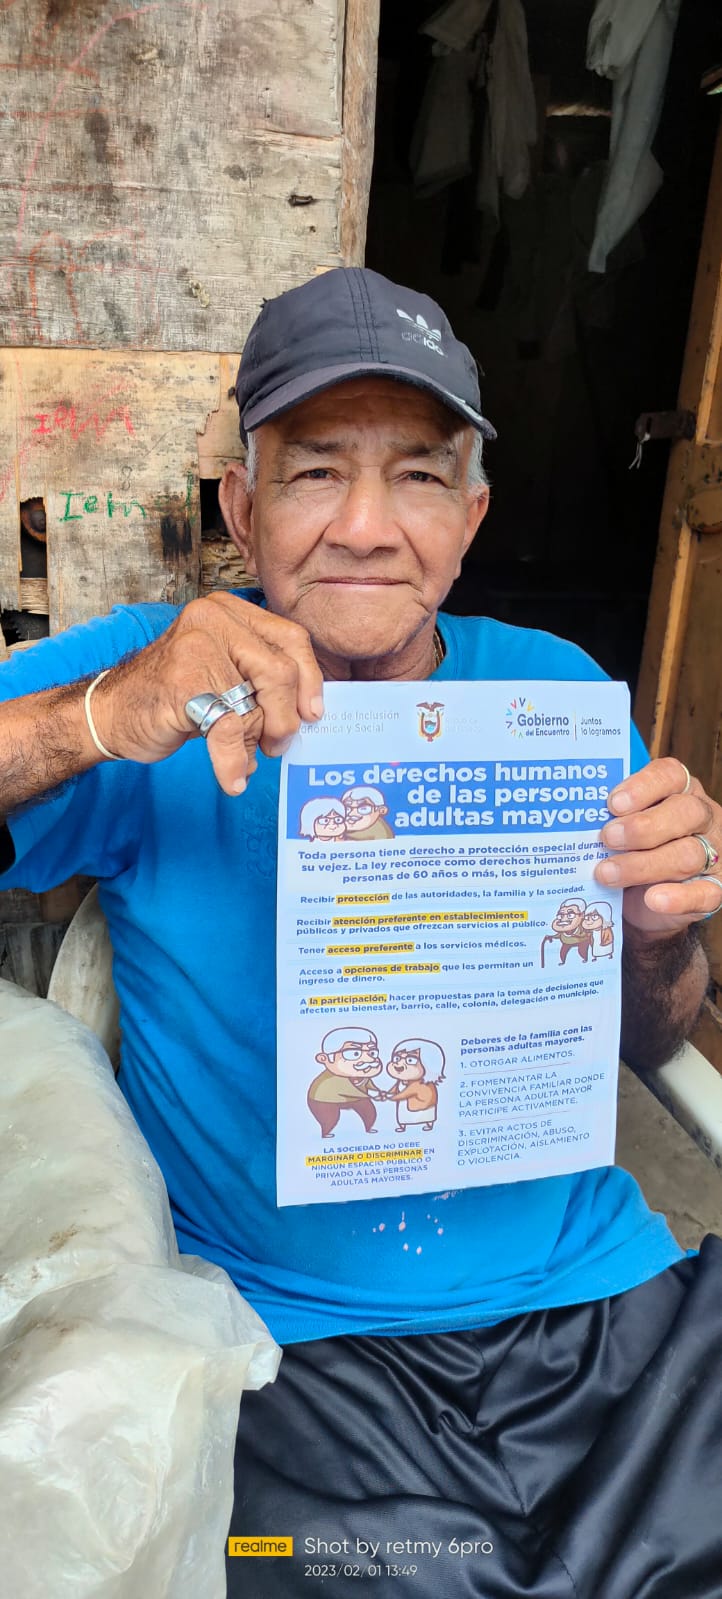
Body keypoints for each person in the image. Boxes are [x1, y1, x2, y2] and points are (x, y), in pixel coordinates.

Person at [0, 266, 721, 1598]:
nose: (367, 528)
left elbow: (645, 1032)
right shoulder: (159, 672)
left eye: (420, 476)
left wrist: (659, 933)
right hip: (296, 1357)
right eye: (316, 471)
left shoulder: (552, 697)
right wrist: (102, 714)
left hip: (608, 1316)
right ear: (242, 506)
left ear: (471, 517)